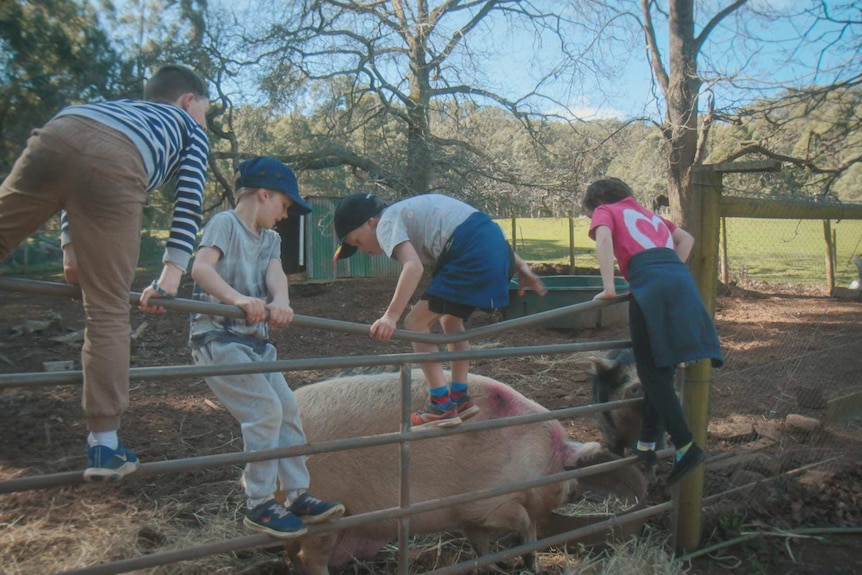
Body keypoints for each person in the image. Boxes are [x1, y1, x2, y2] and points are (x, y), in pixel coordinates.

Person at [0, 64, 211, 481]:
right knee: (108, 310)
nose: (205, 120)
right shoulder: (189, 128)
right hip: (117, 163)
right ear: (189, 101)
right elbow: (189, 200)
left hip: (60, 128)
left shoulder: (117, 107)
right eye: (206, 110)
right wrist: (172, 271)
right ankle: (104, 445)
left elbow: (79, 161)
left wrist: (70, 248)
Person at [189, 157, 345, 538]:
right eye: (285, 205)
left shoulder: (270, 238)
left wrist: (282, 301)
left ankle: (296, 495)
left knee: (288, 409)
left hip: (256, 343)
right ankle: (258, 503)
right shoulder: (225, 223)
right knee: (264, 411)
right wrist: (238, 299)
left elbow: (276, 274)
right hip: (218, 339)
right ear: (263, 194)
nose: (286, 214)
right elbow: (201, 269)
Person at [332, 192, 547, 430]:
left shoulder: (386, 221)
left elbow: (413, 268)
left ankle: (441, 405)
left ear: (369, 221)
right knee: (450, 321)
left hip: (469, 249)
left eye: (356, 242)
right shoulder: (407, 211)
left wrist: (390, 316)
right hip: (494, 245)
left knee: (415, 323)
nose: (362, 250)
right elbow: (484, 232)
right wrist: (521, 266)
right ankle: (459, 397)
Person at [582, 177, 723, 485]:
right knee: (663, 367)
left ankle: (685, 443)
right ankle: (646, 444)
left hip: (649, 289)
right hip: (680, 282)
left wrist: (608, 288)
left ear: (598, 204)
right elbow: (686, 239)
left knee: (649, 373)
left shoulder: (606, 211)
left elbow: (604, 239)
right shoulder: (648, 214)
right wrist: (669, 266)